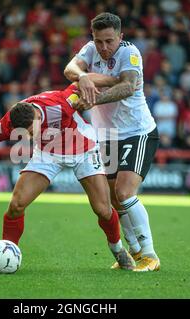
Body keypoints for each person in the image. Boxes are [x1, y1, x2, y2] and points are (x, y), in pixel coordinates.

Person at [0, 78, 137, 271]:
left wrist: (115, 80)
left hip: (83, 149)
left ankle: (117, 249)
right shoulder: (9, 122)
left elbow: (80, 83)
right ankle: (7, 254)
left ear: (38, 116)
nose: (31, 136)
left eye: (33, 131)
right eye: (27, 134)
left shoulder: (61, 103)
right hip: (48, 154)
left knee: (102, 209)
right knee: (16, 204)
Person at [64, 12, 160, 272]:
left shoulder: (130, 54)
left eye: (109, 41)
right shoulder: (90, 49)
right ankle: (135, 253)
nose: (104, 48)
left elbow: (128, 86)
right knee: (114, 202)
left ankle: (150, 255)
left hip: (136, 131)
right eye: (99, 41)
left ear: (121, 36)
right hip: (105, 137)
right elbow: (69, 69)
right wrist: (83, 76)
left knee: (125, 193)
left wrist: (93, 98)